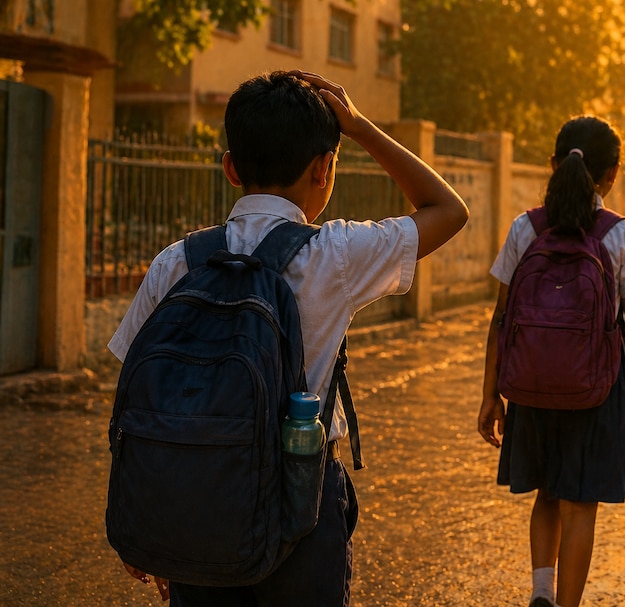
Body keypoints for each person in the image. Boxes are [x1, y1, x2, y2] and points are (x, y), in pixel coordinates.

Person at [107, 70, 469, 605]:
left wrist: (152, 517)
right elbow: (448, 210)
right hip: (301, 512)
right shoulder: (335, 255)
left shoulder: (177, 261)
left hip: (194, 504)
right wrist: (360, 126)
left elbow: (133, 399)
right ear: (325, 169)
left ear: (230, 167)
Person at [477, 116, 625, 607]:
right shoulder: (621, 235)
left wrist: (489, 394)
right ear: (613, 174)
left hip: (532, 380)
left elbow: (501, 318)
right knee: (581, 504)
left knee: (546, 492)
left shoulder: (526, 227)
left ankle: (541, 592)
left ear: (554, 165)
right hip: (598, 388)